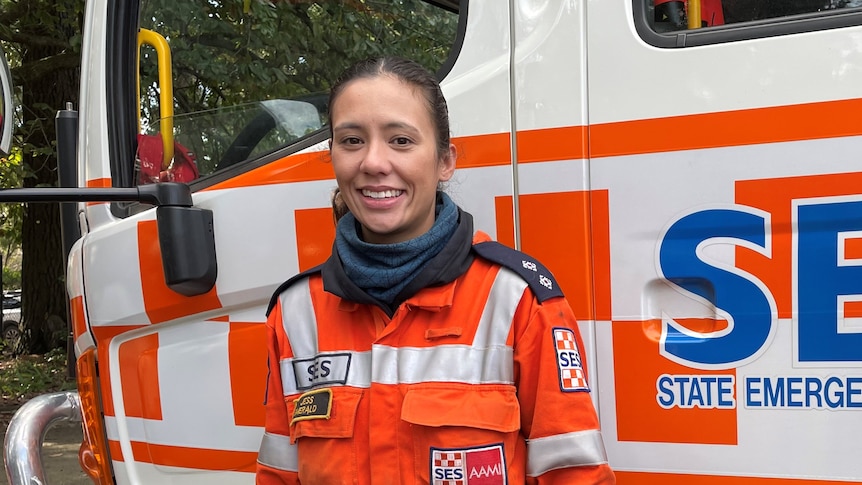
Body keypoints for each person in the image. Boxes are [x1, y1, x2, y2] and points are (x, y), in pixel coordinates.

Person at [256, 56, 615, 484]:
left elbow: (573, 474)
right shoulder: (295, 313)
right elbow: (278, 475)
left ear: (445, 160)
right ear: (331, 154)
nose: (373, 162)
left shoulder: (517, 300)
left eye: (401, 141)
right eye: (352, 140)